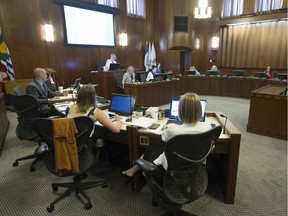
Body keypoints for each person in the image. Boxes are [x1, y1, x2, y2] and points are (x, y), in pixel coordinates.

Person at [121, 92, 212, 183]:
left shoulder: (172, 129)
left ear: (180, 111)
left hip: (170, 172)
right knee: (154, 149)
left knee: (151, 149)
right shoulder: (209, 128)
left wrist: (166, 128)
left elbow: (164, 139)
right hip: (195, 170)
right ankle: (133, 171)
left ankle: (135, 171)